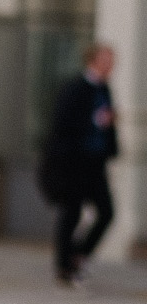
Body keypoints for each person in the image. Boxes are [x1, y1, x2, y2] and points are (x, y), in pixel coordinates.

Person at [41, 43, 118, 285]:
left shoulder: (105, 88)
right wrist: (96, 121)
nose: (111, 65)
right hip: (74, 163)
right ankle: (64, 266)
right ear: (93, 60)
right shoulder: (74, 88)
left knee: (106, 212)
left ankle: (78, 255)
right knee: (71, 213)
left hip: (95, 163)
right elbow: (64, 124)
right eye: (107, 60)